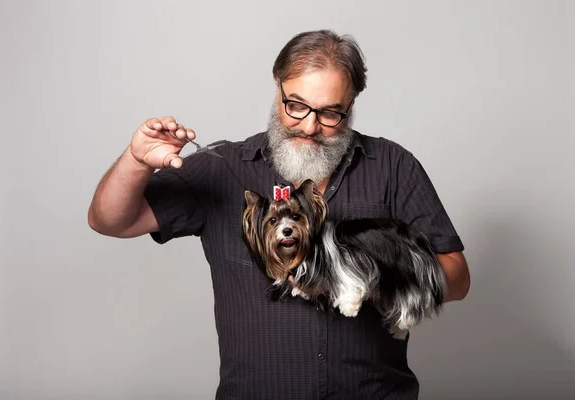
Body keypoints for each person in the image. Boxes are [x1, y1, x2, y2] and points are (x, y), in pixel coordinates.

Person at [88, 29, 470, 400]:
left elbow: (457, 278)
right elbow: (110, 221)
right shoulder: (222, 168)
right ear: (278, 87)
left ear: (351, 105)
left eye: (330, 113)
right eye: (297, 105)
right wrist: (137, 162)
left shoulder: (393, 166)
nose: (309, 126)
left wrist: (364, 272)